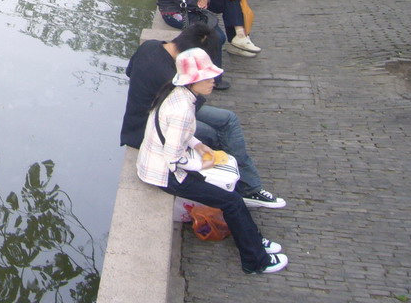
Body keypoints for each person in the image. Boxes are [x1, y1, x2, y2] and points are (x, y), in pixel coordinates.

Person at [136, 48, 289, 275]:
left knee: (233, 196)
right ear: (192, 81)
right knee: (232, 202)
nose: (213, 82)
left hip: (162, 166)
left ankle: (255, 240)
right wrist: (201, 165)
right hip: (166, 174)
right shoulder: (182, 109)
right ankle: (255, 261)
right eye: (206, 78)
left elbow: (175, 133)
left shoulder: (177, 95)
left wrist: (197, 145)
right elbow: (173, 157)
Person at [120, 23, 286, 209]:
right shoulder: (174, 77)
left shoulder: (149, 46)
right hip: (152, 128)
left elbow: (129, 72)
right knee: (211, 134)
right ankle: (235, 187)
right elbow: (190, 108)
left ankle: (249, 186)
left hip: (152, 116)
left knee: (227, 119)